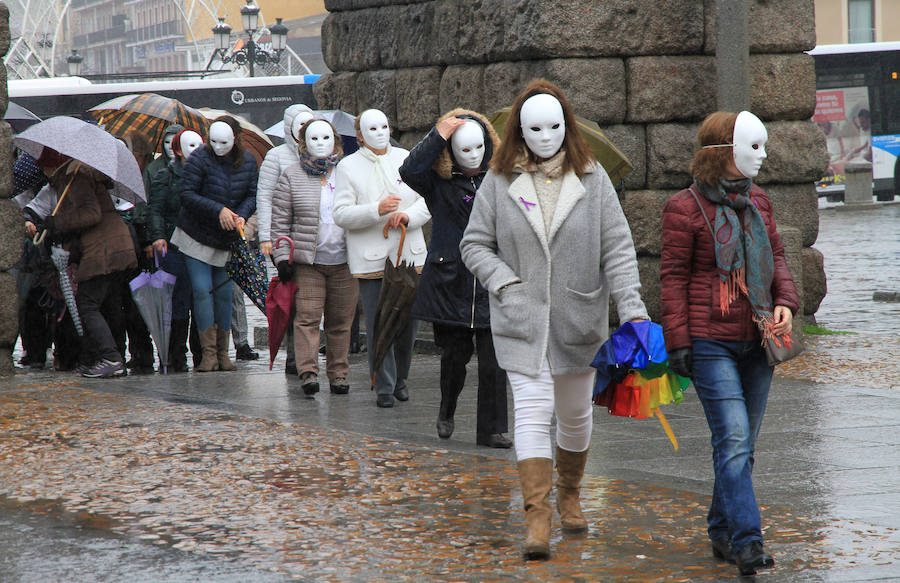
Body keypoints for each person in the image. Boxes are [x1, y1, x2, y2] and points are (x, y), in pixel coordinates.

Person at [460, 79, 649, 560]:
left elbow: (618, 249)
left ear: (568, 126)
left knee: (575, 415)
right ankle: (536, 515)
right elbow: (474, 245)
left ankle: (569, 492)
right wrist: (506, 284)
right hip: (521, 321)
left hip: (578, 317)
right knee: (530, 409)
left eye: (555, 127)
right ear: (519, 131)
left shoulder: (593, 177)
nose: (545, 137)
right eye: (534, 128)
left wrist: (633, 312)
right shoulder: (498, 181)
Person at [660, 111, 800, 576]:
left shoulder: (759, 202)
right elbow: (673, 279)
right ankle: (747, 542)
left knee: (743, 445)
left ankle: (721, 528)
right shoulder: (684, 207)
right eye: (753, 146)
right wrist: (678, 342)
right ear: (724, 151)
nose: (763, 156)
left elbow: (776, 256)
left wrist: (786, 301)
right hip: (710, 342)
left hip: (759, 338)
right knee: (735, 441)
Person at [399, 108, 511, 448]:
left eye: (479, 148)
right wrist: (438, 135)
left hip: (491, 280)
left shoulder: (501, 179)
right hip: (451, 283)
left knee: (494, 364)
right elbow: (409, 170)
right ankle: (446, 409)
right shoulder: (437, 182)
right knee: (453, 360)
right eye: (465, 149)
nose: (474, 156)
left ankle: (491, 429)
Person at [333, 109, 431, 408]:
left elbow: (427, 201)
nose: (380, 132)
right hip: (372, 259)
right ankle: (384, 385)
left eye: (384, 126)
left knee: (409, 323)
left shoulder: (406, 158)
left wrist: (407, 216)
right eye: (371, 128)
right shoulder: (348, 167)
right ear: (359, 134)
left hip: (409, 253)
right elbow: (341, 214)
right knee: (378, 321)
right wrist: (376, 209)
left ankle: (401, 377)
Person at [271, 118, 358, 395]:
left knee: (340, 322)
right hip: (308, 262)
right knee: (307, 318)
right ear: (303, 142)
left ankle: (339, 374)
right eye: (314, 139)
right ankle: (308, 372)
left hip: (346, 261)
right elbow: (280, 222)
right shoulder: (291, 175)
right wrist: (282, 257)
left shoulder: (348, 172)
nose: (320, 144)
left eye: (326, 138)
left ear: (335, 140)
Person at [171, 116, 258, 372]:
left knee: (223, 294)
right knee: (201, 290)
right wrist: (218, 209)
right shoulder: (199, 159)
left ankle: (223, 353)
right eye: (214, 142)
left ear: (235, 140)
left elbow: (252, 194)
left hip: (226, 238)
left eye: (225, 143)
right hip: (196, 235)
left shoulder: (249, 161)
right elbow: (186, 194)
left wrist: (241, 213)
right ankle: (208, 354)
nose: (219, 148)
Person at [44, 157, 139, 378]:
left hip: (103, 249)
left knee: (87, 304)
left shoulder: (75, 177)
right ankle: (101, 358)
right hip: (115, 245)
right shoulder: (76, 177)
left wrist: (58, 222)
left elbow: (91, 213)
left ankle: (110, 358)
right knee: (109, 305)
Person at [257, 104, 315, 374]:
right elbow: (265, 196)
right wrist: (266, 236)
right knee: (289, 298)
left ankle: (304, 355)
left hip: (312, 237)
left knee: (309, 299)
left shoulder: (320, 154)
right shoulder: (275, 157)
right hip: (284, 239)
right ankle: (294, 358)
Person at [149, 129, 204, 372]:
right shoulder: (165, 176)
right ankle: (174, 355)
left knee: (201, 299)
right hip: (175, 247)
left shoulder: (206, 175)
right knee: (178, 302)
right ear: (178, 150)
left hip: (202, 245)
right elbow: (156, 210)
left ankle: (202, 354)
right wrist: (159, 236)